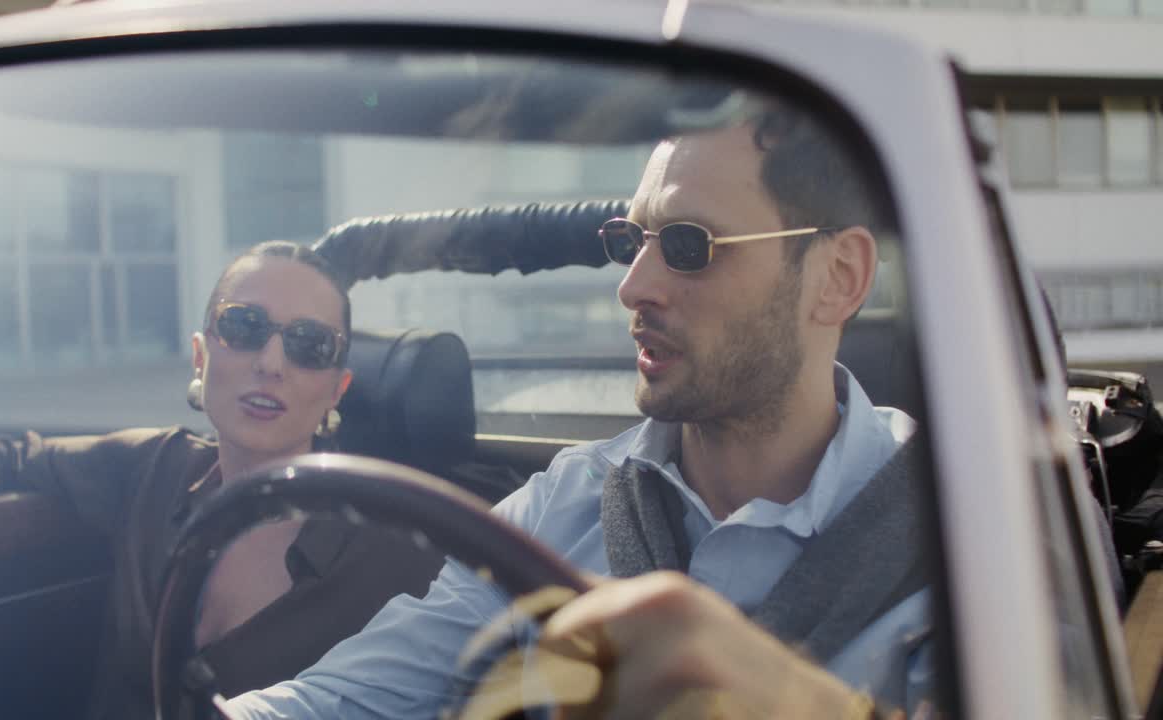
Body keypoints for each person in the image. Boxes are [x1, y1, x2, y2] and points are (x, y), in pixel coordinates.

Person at [226, 107, 930, 720]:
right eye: (632, 242)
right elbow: (341, 703)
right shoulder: (558, 511)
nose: (633, 285)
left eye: (690, 247)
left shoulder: (969, 537)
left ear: (838, 278)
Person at [0, 241, 445, 719]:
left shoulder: (398, 553)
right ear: (200, 357)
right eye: (244, 326)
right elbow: (10, 453)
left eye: (309, 345)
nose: (272, 362)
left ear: (336, 389)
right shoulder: (156, 468)